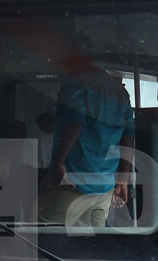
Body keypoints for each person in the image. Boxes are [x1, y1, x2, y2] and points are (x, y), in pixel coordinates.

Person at [38, 51, 135, 230]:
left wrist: (59, 162)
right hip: (104, 189)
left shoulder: (75, 82)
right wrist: (123, 181)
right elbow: (128, 139)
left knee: (48, 242)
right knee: (92, 247)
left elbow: (75, 123)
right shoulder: (121, 92)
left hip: (70, 182)